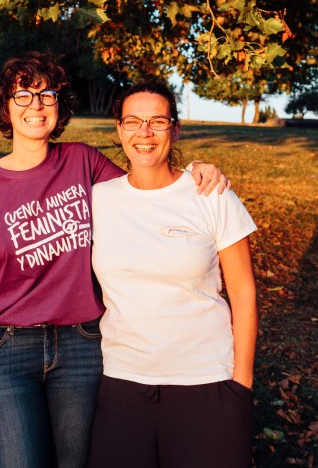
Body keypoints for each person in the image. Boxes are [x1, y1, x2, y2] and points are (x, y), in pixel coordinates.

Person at [0, 53, 230, 468]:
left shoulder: (83, 161)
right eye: (23, 95)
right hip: (6, 347)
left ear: (60, 107)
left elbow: (146, 185)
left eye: (47, 95)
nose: (35, 106)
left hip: (83, 345)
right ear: (6, 107)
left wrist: (195, 168)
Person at [88, 79, 258, 468]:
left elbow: (244, 296)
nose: (144, 133)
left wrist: (240, 387)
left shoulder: (212, 195)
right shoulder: (98, 199)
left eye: (157, 121)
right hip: (122, 386)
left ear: (175, 128)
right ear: (118, 129)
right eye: (132, 121)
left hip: (207, 385)